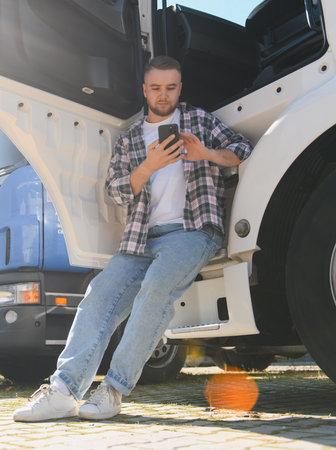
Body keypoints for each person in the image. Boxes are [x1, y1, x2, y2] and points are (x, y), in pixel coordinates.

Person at [13, 55, 253, 422]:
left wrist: (205, 153)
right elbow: (116, 192)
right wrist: (148, 167)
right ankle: (63, 391)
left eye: (171, 87)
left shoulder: (200, 121)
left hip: (193, 231)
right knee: (98, 297)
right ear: (145, 89)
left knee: (156, 291)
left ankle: (113, 389)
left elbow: (241, 149)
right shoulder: (130, 140)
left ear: (180, 88)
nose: (163, 94)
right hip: (141, 238)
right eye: (156, 88)